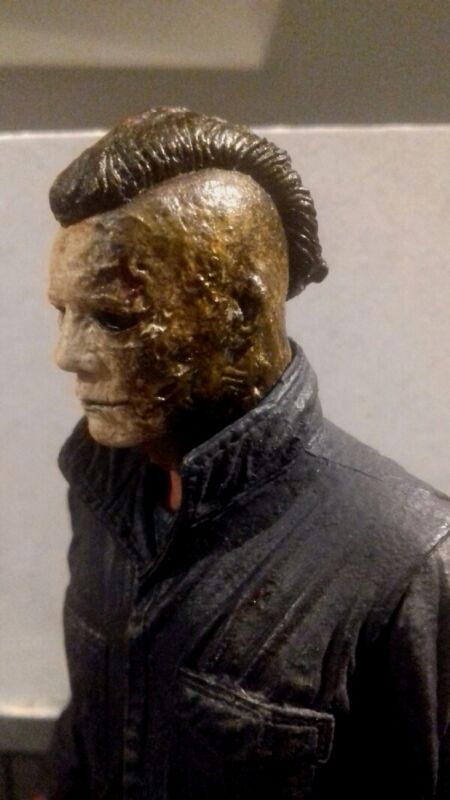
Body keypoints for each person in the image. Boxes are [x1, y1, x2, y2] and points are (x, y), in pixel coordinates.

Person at [47, 108, 450, 799]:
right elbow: (90, 728)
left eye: (114, 318)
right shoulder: (102, 491)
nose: (67, 356)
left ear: (240, 313)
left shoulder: (410, 565)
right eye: (64, 313)